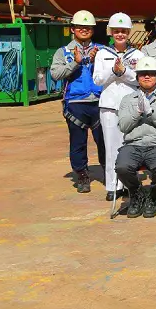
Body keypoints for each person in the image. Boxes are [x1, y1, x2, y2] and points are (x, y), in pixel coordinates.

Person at [50, 10, 105, 194]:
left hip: (99, 102)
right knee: (78, 142)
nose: (84, 30)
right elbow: (55, 74)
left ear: (92, 30)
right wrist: (75, 63)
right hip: (75, 104)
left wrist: (100, 62)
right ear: (73, 29)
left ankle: (109, 172)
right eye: (80, 27)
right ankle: (82, 174)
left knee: (104, 141)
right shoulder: (63, 52)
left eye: (87, 27)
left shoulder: (102, 50)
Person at [115, 57, 156, 218]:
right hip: (133, 144)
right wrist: (137, 112)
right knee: (122, 167)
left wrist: (152, 114)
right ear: (137, 77)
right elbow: (123, 126)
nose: (147, 77)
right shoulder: (128, 99)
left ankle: (153, 196)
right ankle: (136, 194)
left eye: (151, 74)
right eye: (142, 74)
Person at [93, 12, 144, 202]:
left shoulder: (138, 54)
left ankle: (129, 183)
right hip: (109, 105)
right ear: (111, 32)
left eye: (123, 31)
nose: (120, 34)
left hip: (130, 105)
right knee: (111, 147)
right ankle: (113, 186)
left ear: (129, 32)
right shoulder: (102, 54)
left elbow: (140, 80)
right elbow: (97, 79)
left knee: (130, 146)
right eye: (116, 31)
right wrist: (114, 71)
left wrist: (125, 72)